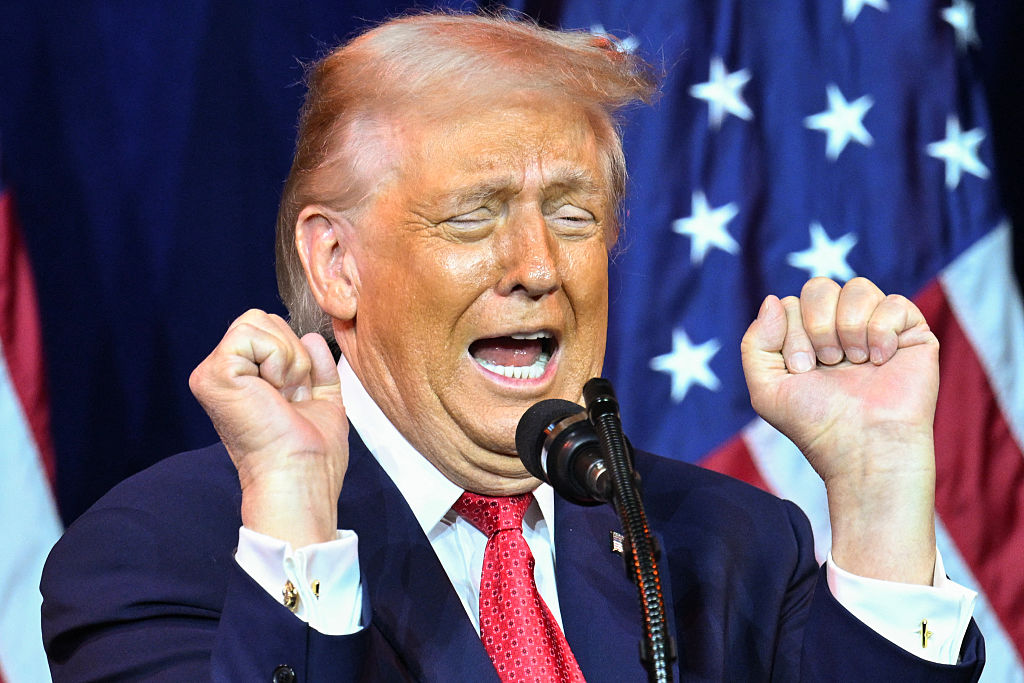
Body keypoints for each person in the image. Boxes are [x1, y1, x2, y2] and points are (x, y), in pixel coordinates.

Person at [41, 11, 984, 682]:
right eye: (473, 216)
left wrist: (880, 487)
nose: (537, 266)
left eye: (573, 214)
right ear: (336, 264)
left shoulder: (729, 549)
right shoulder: (161, 555)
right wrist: (295, 517)